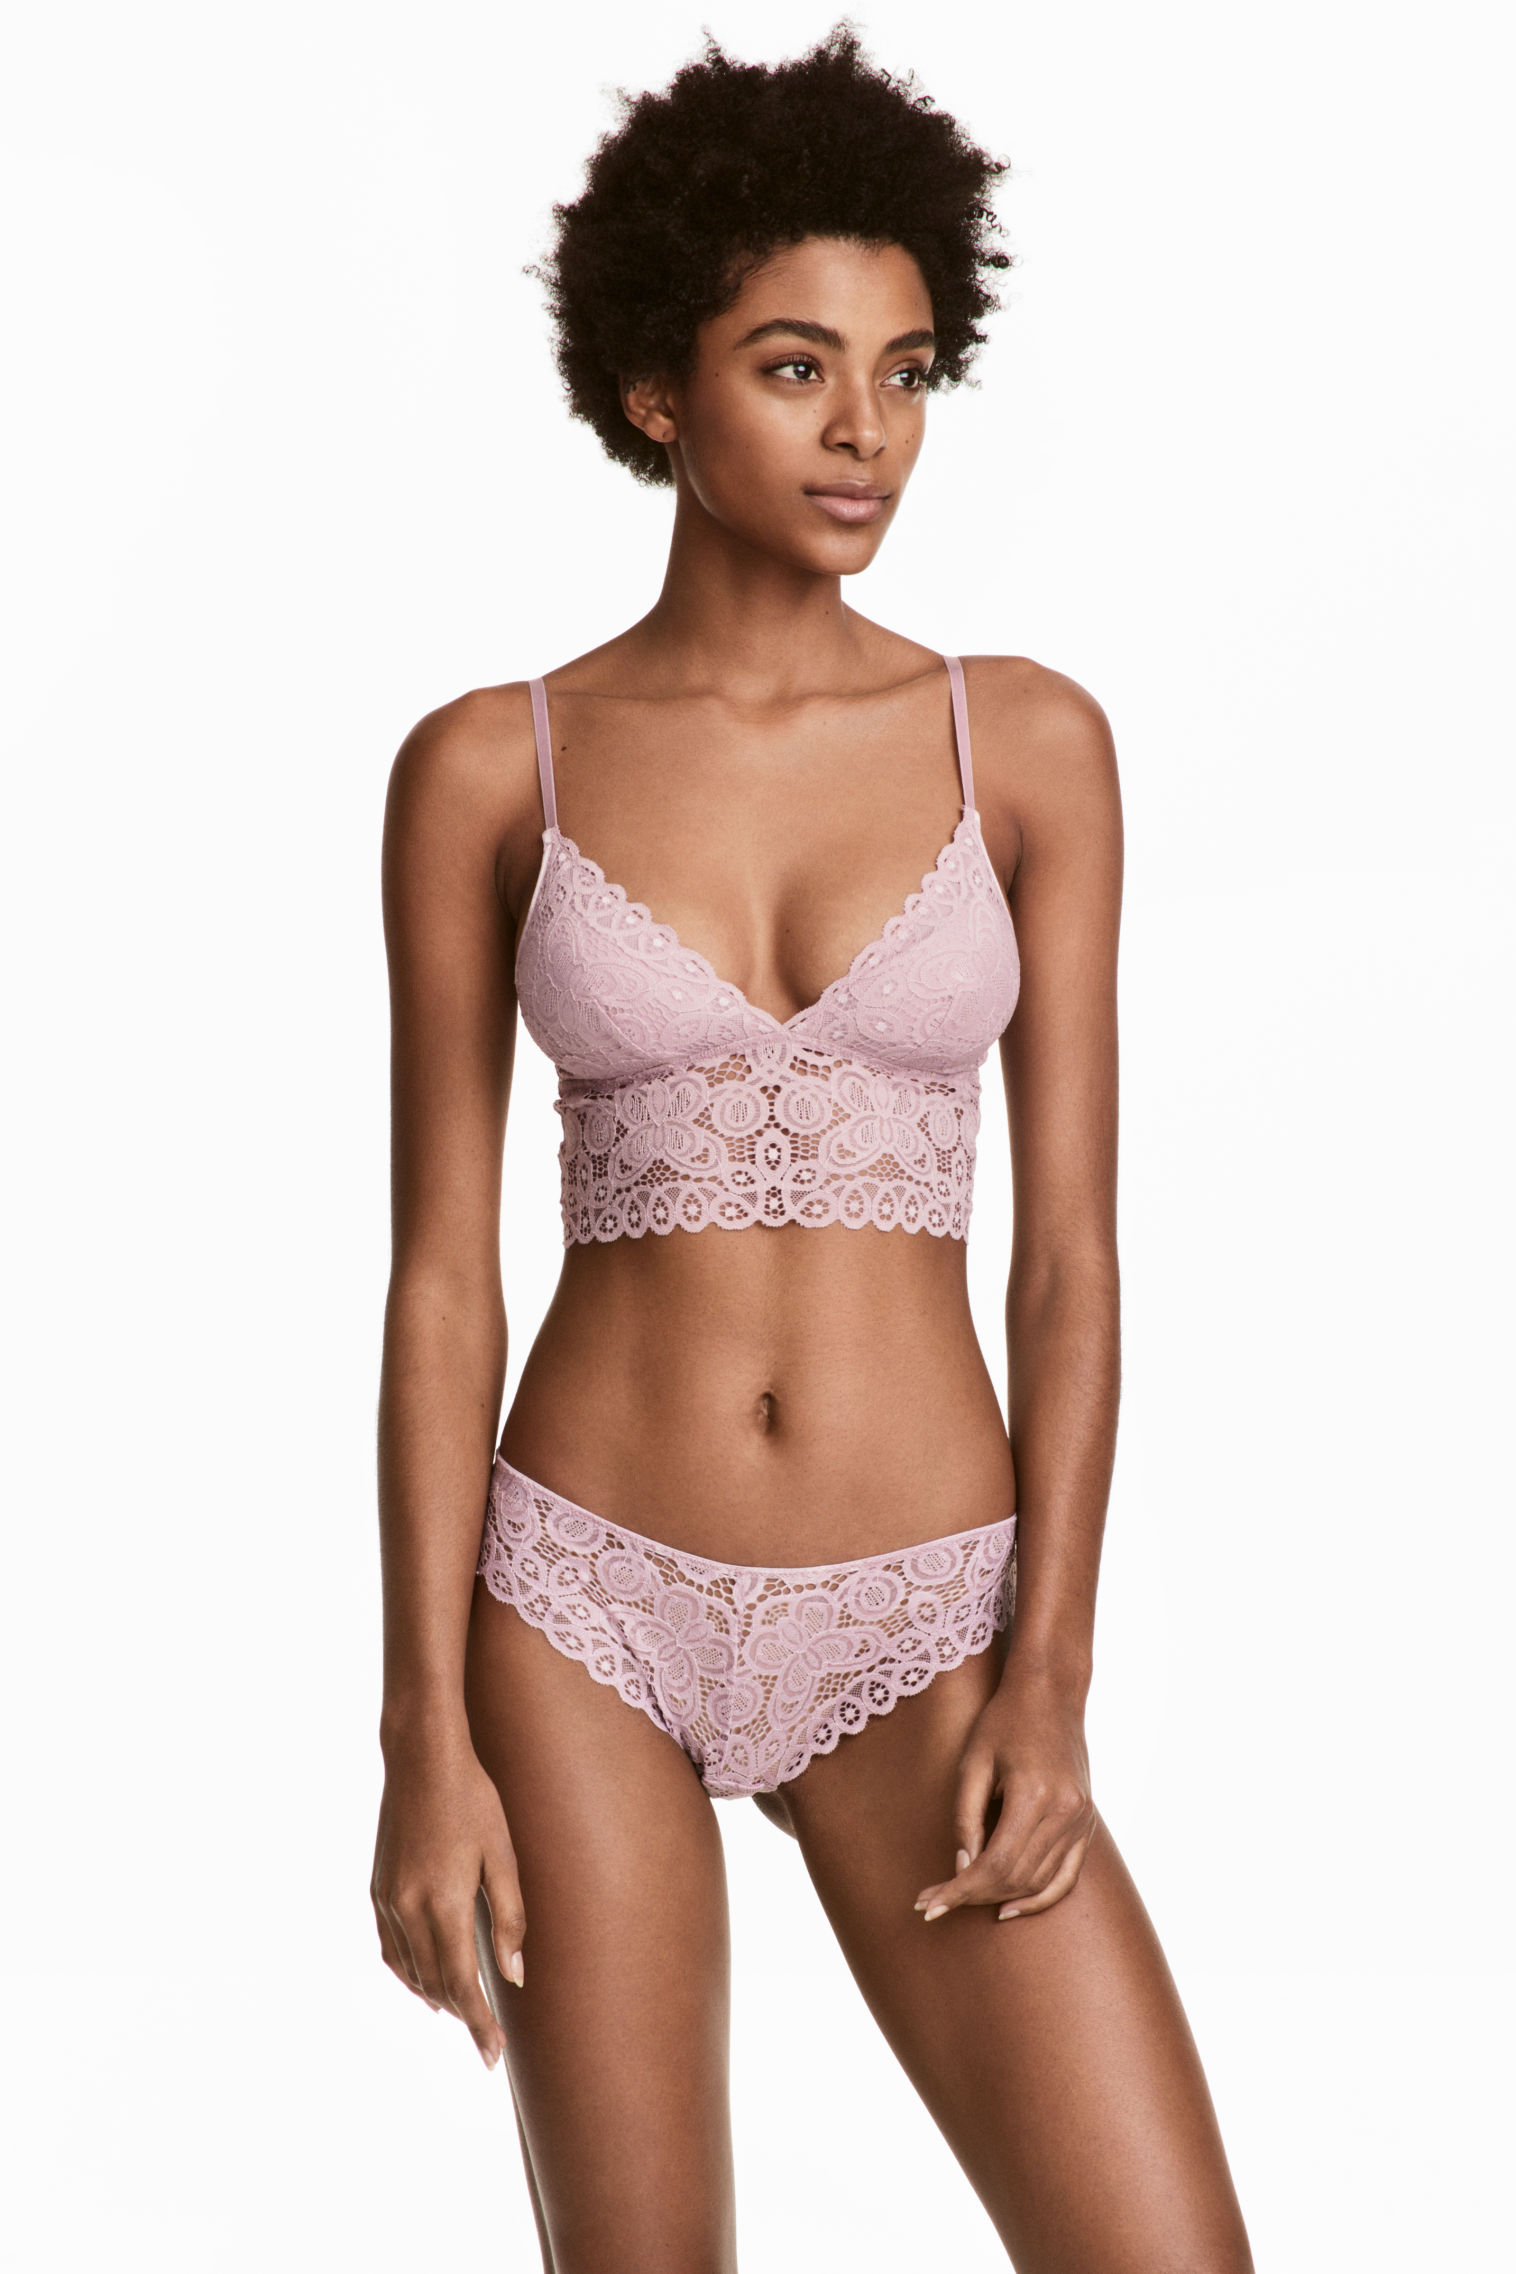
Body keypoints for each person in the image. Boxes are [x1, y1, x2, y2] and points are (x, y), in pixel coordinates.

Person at [370, 27, 1254, 2273]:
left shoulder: (1021, 744)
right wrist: (420, 1741)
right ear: (655, 390)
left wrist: (1050, 1674)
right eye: (795, 367)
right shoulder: (488, 769)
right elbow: (442, 1280)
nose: (866, 430)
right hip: (578, 1606)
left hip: (925, 1619)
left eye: (905, 369)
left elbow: (1070, 1259)